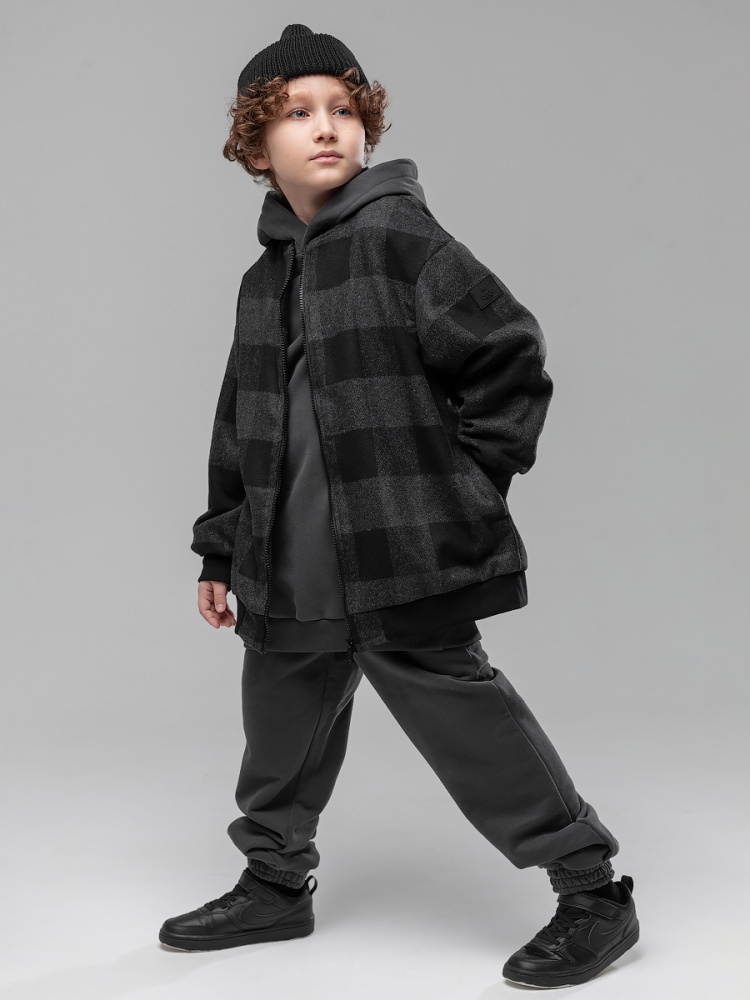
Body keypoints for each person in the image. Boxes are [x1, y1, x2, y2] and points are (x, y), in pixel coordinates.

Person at [159, 24, 640, 988]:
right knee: (279, 724)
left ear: (366, 126)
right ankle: (275, 883)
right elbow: (240, 420)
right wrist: (221, 549)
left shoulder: (399, 238)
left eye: (343, 109)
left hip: (399, 552)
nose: (325, 127)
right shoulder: (264, 281)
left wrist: (462, 489)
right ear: (256, 146)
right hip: (287, 558)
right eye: (297, 113)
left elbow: (508, 353)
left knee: (467, 720)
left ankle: (592, 893)